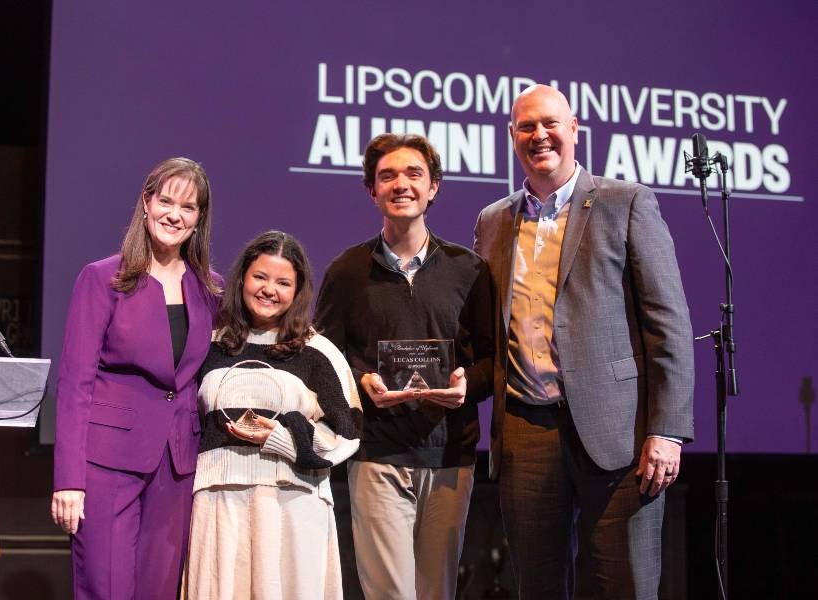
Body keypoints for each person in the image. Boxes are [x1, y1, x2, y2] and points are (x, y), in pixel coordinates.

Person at [474, 84, 695, 599]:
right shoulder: (492, 222)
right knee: (537, 586)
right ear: (512, 137)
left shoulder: (627, 203)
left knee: (624, 584)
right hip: (526, 426)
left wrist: (667, 429)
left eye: (550, 123)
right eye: (526, 127)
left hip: (619, 429)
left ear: (574, 129)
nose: (539, 135)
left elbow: (669, 323)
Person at [315, 133, 494, 600]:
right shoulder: (347, 272)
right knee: (391, 595)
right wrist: (361, 384)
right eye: (387, 176)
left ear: (434, 186)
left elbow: (495, 359)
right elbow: (322, 363)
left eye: (414, 174)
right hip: (377, 453)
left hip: (450, 455)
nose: (401, 184)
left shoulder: (469, 270)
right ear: (371, 190)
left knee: (437, 593)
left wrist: (465, 386)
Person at [50, 157, 222, 599]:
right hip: (107, 464)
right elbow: (74, 385)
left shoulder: (209, 288)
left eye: (188, 207)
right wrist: (69, 479)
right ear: (146, 202)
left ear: (199, 218)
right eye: (166, 201)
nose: (174, 215)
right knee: (106, 588)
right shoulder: (103, 278)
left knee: (158, 590)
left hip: (177, 465)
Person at [185, 230, 361, 600]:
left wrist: (281, 439)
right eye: (260, 277)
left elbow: (348, 431)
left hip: (293, 501)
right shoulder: (210, 345)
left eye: (283, 282)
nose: (269, 290)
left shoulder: (317, 350)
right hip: (218, 500)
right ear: (243, 279)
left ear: (297, 292)